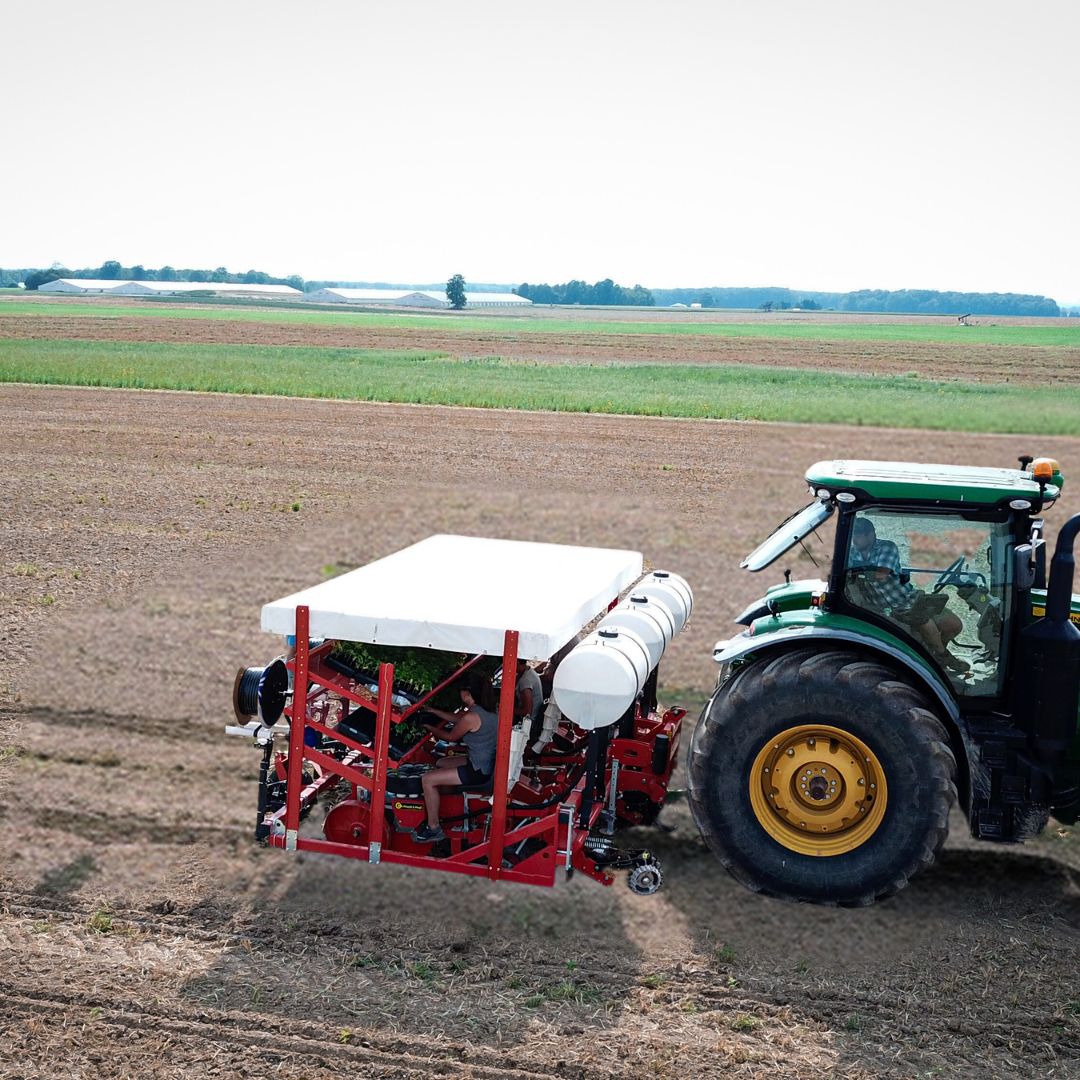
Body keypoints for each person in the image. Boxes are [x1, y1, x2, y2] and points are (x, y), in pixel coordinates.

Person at [847, 517, 969, 673]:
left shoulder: (886, 547)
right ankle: (942, 657)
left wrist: (855, 572)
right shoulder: (850, 553)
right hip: (883, 609)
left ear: (870, 535)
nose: (854, 540)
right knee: (925, 622)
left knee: (953, 624)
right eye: (852, 536)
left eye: (857, 536)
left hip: (907, 598)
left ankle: (932, 656)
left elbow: (882, 573)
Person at [411, 673, 499, 844]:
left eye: (461, 691)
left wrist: (428, 728)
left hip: (477, 771)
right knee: (440, 762)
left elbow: (449, 737)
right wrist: (433, 711)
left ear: (467, 693)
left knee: (427, 779)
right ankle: (445, 803)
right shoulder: (486, 711)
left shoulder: (471, 717)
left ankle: (433, 828)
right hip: (483, 763)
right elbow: (456, 718)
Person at [515, 658, 545, 744]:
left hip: (529, 725)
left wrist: (508, 711)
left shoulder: (526, 681)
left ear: (516, 662)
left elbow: (527, 712)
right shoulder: (528, 671)